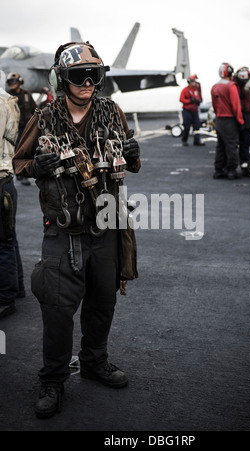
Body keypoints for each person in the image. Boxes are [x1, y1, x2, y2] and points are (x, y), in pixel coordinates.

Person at [13, 41, 141, 419]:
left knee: (104, 302)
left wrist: (133, 155)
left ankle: (94, 362)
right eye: (78, 77)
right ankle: (52, 378)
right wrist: (38, 165)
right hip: (63, 233)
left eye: (93, 75)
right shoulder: (45, 116)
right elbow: (19, 162)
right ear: (60, 79)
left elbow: (131, 164)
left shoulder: (112, 111)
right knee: (56, 309)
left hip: (105, 228)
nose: (87, 83)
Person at [0, 70, 25, 319]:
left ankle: (5, 297)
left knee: (3, 243)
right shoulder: (7, 100)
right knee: (9, 238)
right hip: (6, 178)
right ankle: (16, 288)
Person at [211, 63, 244, 180]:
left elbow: (214, 106)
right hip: (229, 120)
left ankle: (218, 170)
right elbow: (236, 106)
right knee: (232, 146)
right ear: (230, 72)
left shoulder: (214, 87)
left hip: (219, 120)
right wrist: (240, 121)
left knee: (220, 146)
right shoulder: (231, 86)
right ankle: (231, 170)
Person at [7, 72, 37, 186]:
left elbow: (35, 109)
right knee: (18, 150)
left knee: (30, 149)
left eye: (14, 81)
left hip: (28, 127)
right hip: (15, 128)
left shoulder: (26, 94)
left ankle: (27, 171)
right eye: (10, 82)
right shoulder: (7, 96)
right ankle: (19, 174)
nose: (12, 84)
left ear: (19, 82)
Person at [179, 74, 203, 146]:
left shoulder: (196, 90)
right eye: (193, 81)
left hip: (195, 111)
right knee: (187, 126)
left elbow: (199, 97)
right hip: (187, 111)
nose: (194, 83)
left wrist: (198, 101)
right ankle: (184, 140)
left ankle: (197, 140)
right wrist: (190, 101)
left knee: (197, 126)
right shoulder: (185, 90)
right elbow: (181, 99)